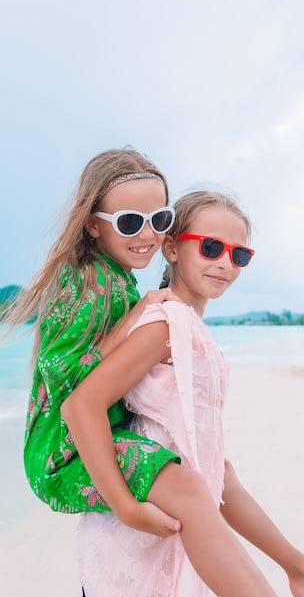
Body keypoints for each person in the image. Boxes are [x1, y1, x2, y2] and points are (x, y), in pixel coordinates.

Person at [62, 190, 304, 597]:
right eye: (210, 247)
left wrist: (293, 561)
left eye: (239, 254)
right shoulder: (166, 324)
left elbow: (215, 470)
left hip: (172, 522)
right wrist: (127, 507)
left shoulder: (184, 325)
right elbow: (82, 405)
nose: (225, 262)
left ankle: (300, 569)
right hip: (137, 534)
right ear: (171, 247)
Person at [1, 147, 182, 534]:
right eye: (131, 222)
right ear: (92, 224)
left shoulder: (116, 278)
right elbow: (62, 376)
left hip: (86, 442)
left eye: (160, 219)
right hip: (61, 458)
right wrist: (136, 320)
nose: (149, 234)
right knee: (186, 486)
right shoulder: (93, 280)